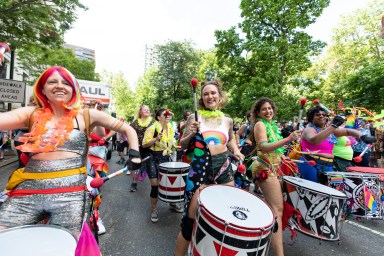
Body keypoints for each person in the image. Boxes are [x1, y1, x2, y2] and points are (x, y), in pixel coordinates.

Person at [0, 66, 141, 235]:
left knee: (66, 244)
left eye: (65, 83)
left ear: (73, 90)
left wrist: (135, 155)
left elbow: (128, 129)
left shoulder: (86, 115)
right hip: (28, 190)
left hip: (70, 193)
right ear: (43, 89)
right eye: (52, 82)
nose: (59, 86)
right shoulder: (31, 114)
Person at [174, 79, 244, 256]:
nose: (209, 96)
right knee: (189, 221)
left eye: (213, 93)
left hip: (223, 168)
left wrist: (236, 150)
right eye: (206, 94)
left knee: (224, 217)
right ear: (201, 98)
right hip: (199, 169)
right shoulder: (194, 117)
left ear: (219, 97)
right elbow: (181, 145)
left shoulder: (227, 119)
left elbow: (230, 139)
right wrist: (191, 132)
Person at [249, 97, 300, 256]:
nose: (268, 111)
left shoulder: (271, 125)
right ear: (258, 112)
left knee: (274, 207)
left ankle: (262, 234)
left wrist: (282, 157)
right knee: (277, 210)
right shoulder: (260, 124)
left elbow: (274, 149)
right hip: (265, 168)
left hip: (274, 167)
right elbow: (264, 147)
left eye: (270, 108)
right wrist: (288, 139)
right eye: (264, 109)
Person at [297, 106, 376, 184]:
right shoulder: (309, 129)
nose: (321, 116)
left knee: (338, 186)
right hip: (310, 164)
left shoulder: (328, 130)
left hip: (329, 165)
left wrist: (363, 137)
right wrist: (333, 126)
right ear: (311, 118)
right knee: (314, 190)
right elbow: (314, 141)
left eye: (323, 115)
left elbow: (348, 131)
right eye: (317, 115)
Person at [142, 108, 181, 223]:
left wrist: (176, 146)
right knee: (155, 185)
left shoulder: (170, 128)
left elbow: (170, 143)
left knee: (169, 183)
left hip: (165, 157)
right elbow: (144, 145)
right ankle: (154, 209)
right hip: (153, 158)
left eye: (168, 115)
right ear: (159, 117)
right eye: (165, 115)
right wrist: (156, 138)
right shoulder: (152, 128)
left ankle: (172, 203)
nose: (167, 116)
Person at [129, 104, 154, 192]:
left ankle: (154, 186)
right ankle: (134, 183)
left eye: (148, 109)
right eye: (145, 110)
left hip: (150, 148)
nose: (147, 111)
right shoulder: (135, 123)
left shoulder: (154, 122)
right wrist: (131, 146)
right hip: (138, 147)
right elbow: (129, 133)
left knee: (151, 167)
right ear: (140, 112)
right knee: (137, 166)